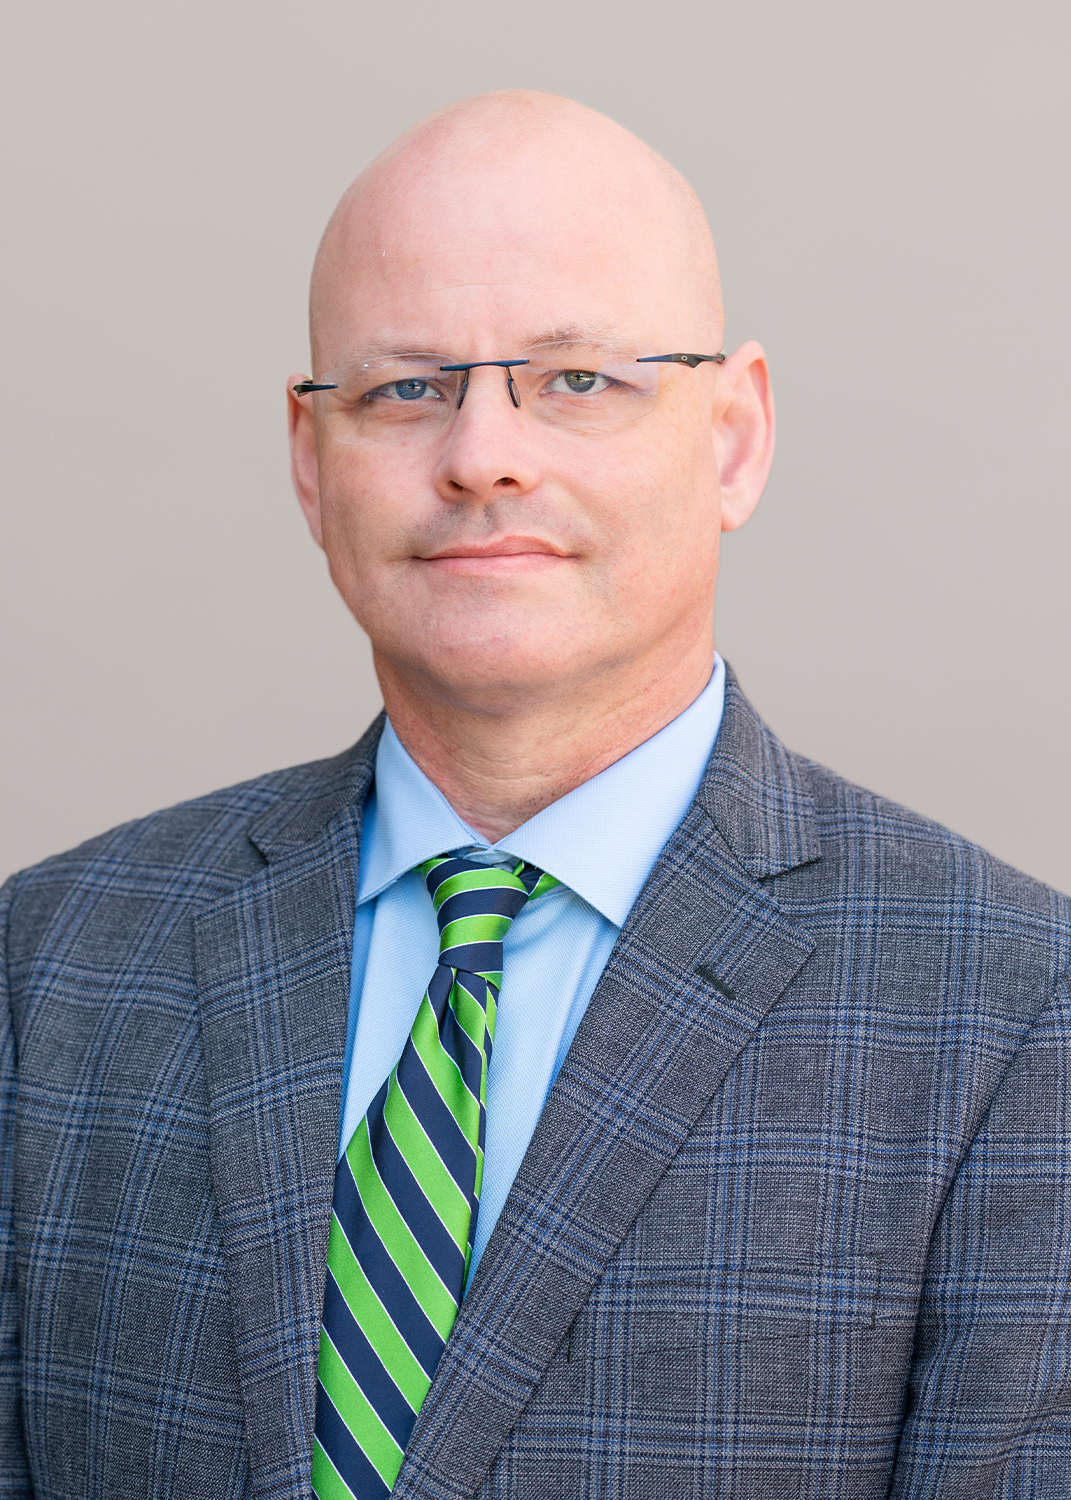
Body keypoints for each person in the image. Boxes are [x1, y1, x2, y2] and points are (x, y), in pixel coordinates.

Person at [1, 89, 1068, 1500]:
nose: (481, 455)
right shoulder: (49, 964)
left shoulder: (1018, 1012)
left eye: (576, 381)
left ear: (734, 436)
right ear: (311, 463)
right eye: (405, 389)